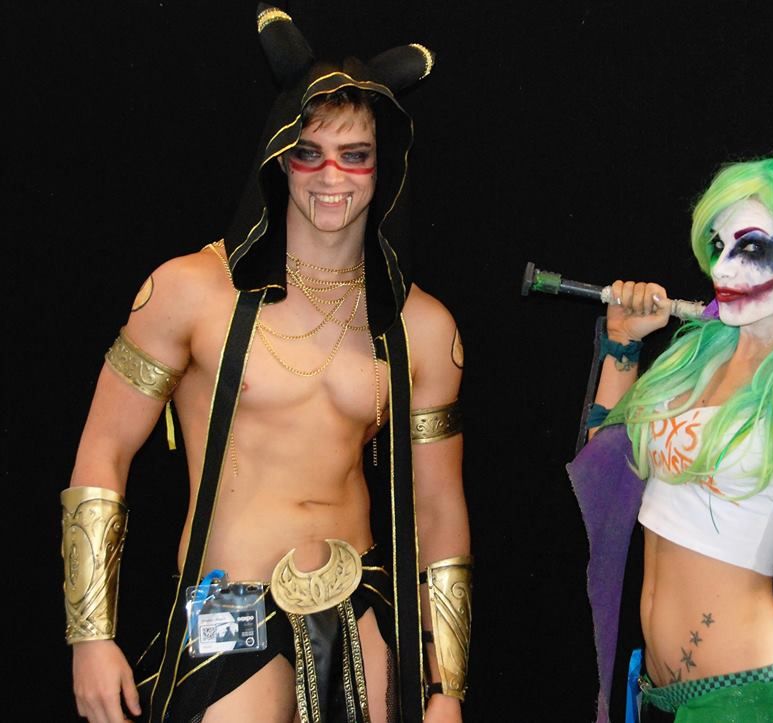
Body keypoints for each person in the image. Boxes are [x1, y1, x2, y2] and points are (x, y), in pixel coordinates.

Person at [60, 6, 470, 723]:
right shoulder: (191, 292)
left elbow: (437, 509)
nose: (332, 175)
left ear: (384, 164)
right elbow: (104, 448)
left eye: (355, 154)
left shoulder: (424, 328)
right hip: (229, 599)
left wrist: (448, 688)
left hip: (359, 602)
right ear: (280, 156)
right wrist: (90, 635)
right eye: (309, 152)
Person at [569, 158, 773, 722]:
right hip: (659, 699)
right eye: (719, 246)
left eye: (752, 248)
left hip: (755, 699)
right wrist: (623, 344)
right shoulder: (693, 359)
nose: (723, 267)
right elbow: (609, 469)